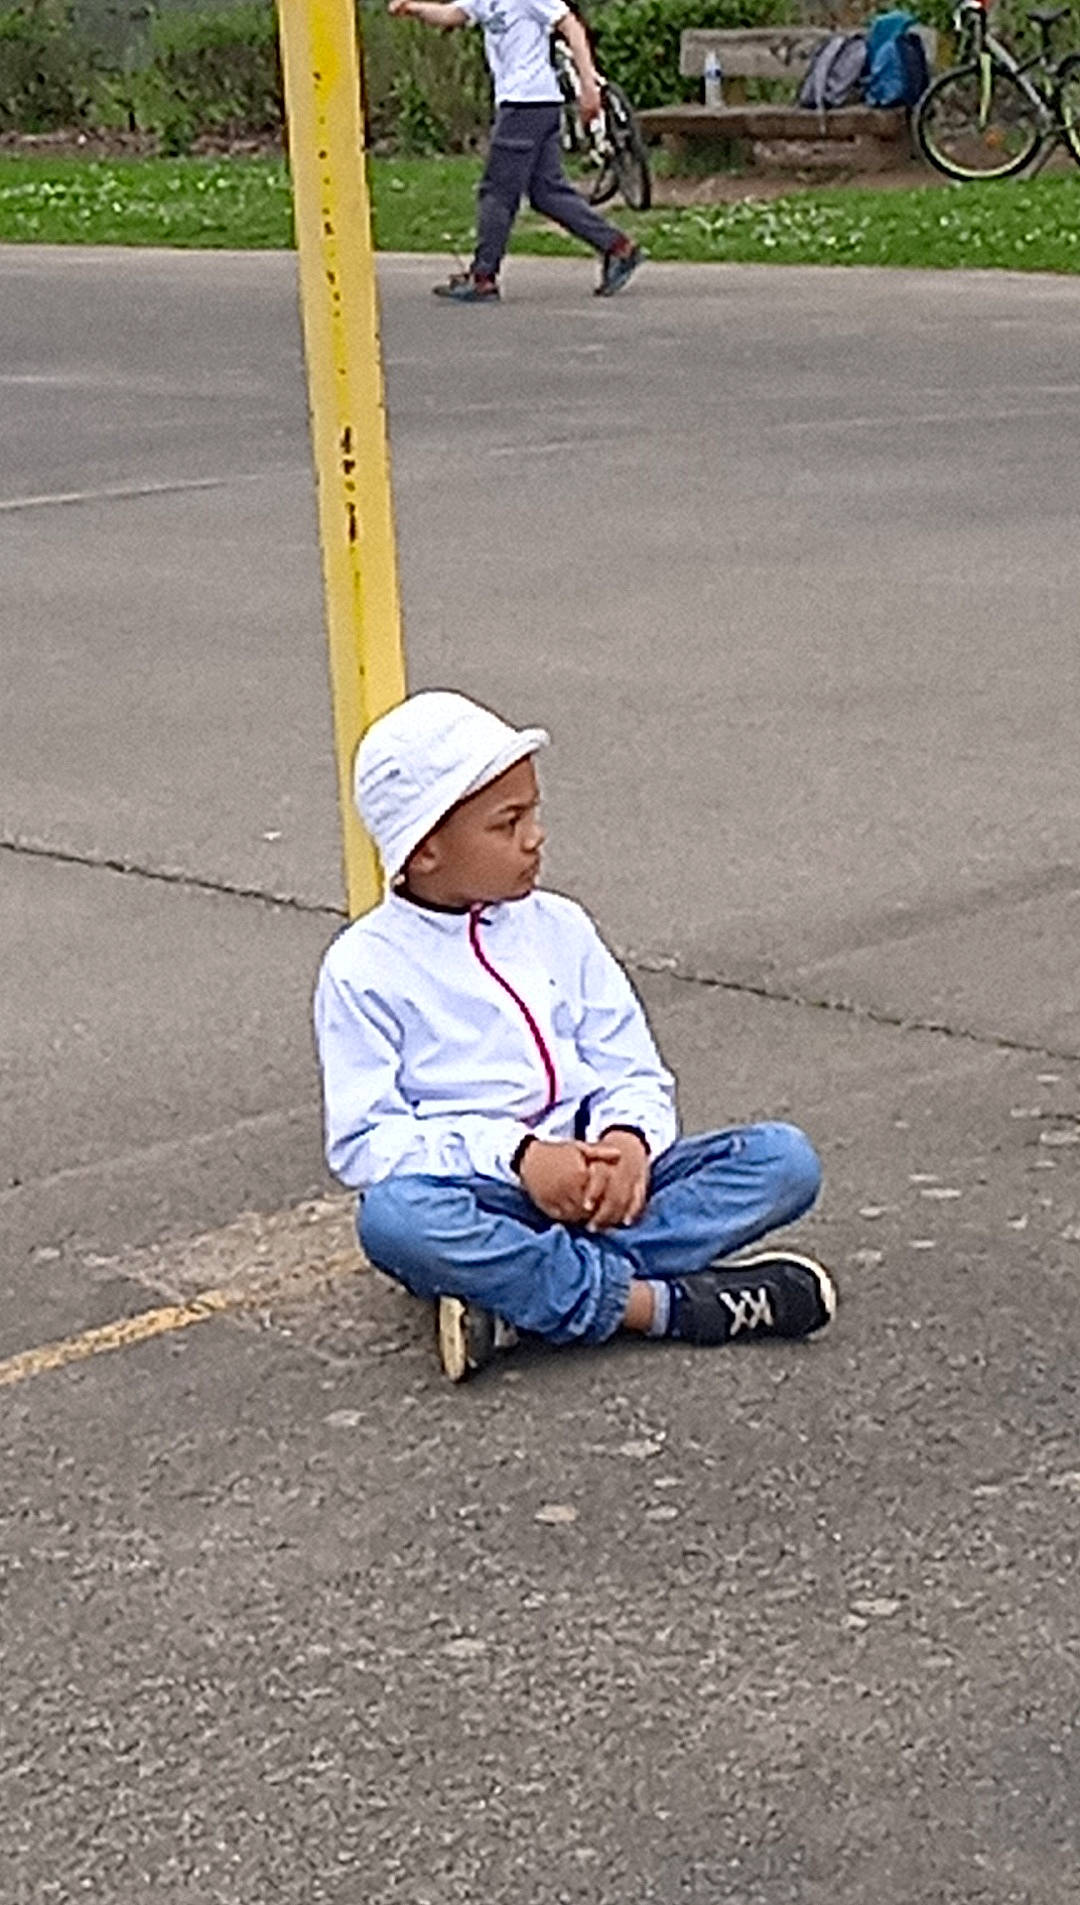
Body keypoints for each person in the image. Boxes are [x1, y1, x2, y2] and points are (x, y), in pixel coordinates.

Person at [314, 691, 836, 1379]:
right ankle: (663, 1305)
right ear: (426, 850)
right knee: (396, 1219)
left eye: (533, 811)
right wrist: (521, 1156)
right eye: (506, 823)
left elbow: (632, 1068)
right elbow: (365, 1143)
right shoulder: (362, 969)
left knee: (783, 1159)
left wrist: (627, 1141)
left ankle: (518, 1306)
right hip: (486, 1200)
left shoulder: (560, 926)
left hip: (606, 1193)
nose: (535, 836)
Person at [386, 0, 642, 301]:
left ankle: (483, 277)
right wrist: (414, 8)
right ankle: (618, 248)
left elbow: (570, 25)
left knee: (497, 191)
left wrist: (589, 85)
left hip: (527, 103)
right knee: (547, 192)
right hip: (529, 104)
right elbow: (453, 15)